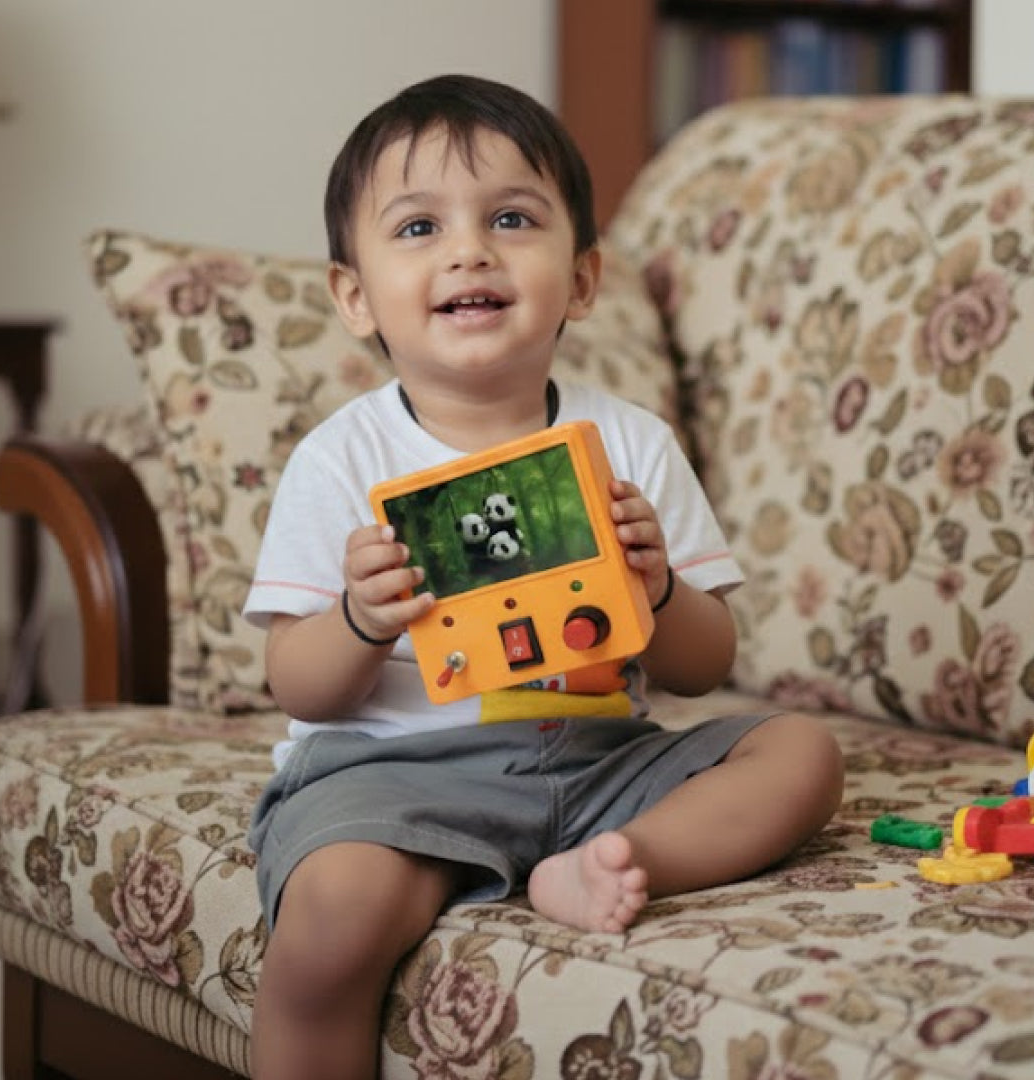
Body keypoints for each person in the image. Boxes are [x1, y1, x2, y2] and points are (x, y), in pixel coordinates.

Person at [245, 73, 844, 1080]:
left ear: (582, 279)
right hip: (399, 779)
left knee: (802, 755)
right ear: (355, 296)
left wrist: (656, 590)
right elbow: (295, 682)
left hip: (603, 760)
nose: (470, 249)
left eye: (512, 218)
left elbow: (705, 664)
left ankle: (615, 866)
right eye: (419, 227)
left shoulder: (629, 442)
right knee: (331, 927)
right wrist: (358, 620)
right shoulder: (342, 459)